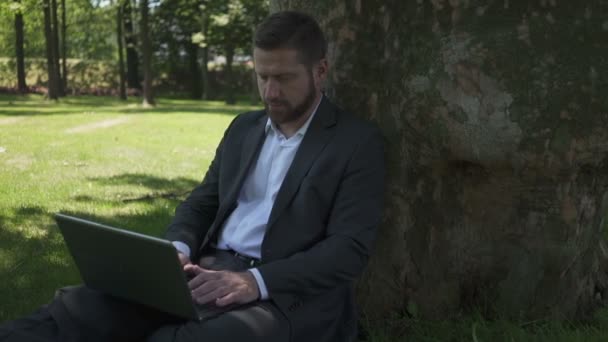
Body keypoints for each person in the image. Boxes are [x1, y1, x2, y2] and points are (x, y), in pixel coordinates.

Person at [0, 10, 385, 342]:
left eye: (283, 78)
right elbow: (203, 201)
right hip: (208, 267)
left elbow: (348, 249)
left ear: (320, 71)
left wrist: (255, 282)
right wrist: (178, 249)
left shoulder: (356, 142)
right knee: (86, 305)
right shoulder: (243, 129)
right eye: (262, 76)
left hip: (285, 296)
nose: (270, 91)